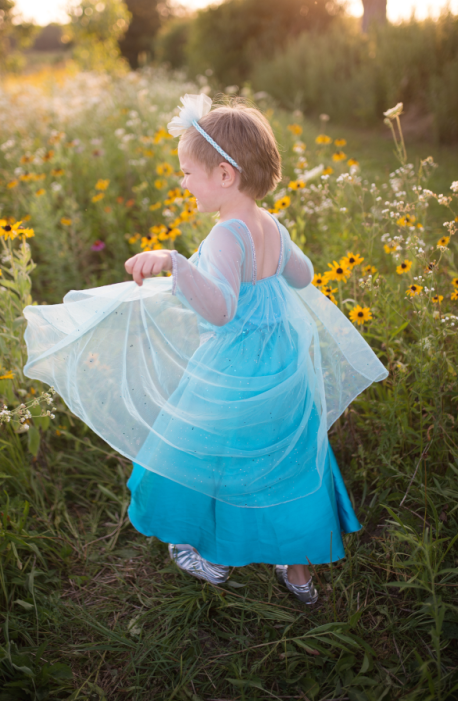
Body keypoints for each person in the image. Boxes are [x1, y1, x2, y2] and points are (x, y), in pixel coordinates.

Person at [22, 94, 388, 606]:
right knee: (285, 453)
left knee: (215, 451)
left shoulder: (224, 236)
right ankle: (298, 570)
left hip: (236, 366)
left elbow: (219, 311)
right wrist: (274, 258)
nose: (184, 183)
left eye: (188, 172)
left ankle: (215, 555)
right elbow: (302, 276)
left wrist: (176, 262)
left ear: (224, 174)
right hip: (284, 361)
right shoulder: (271, 225)